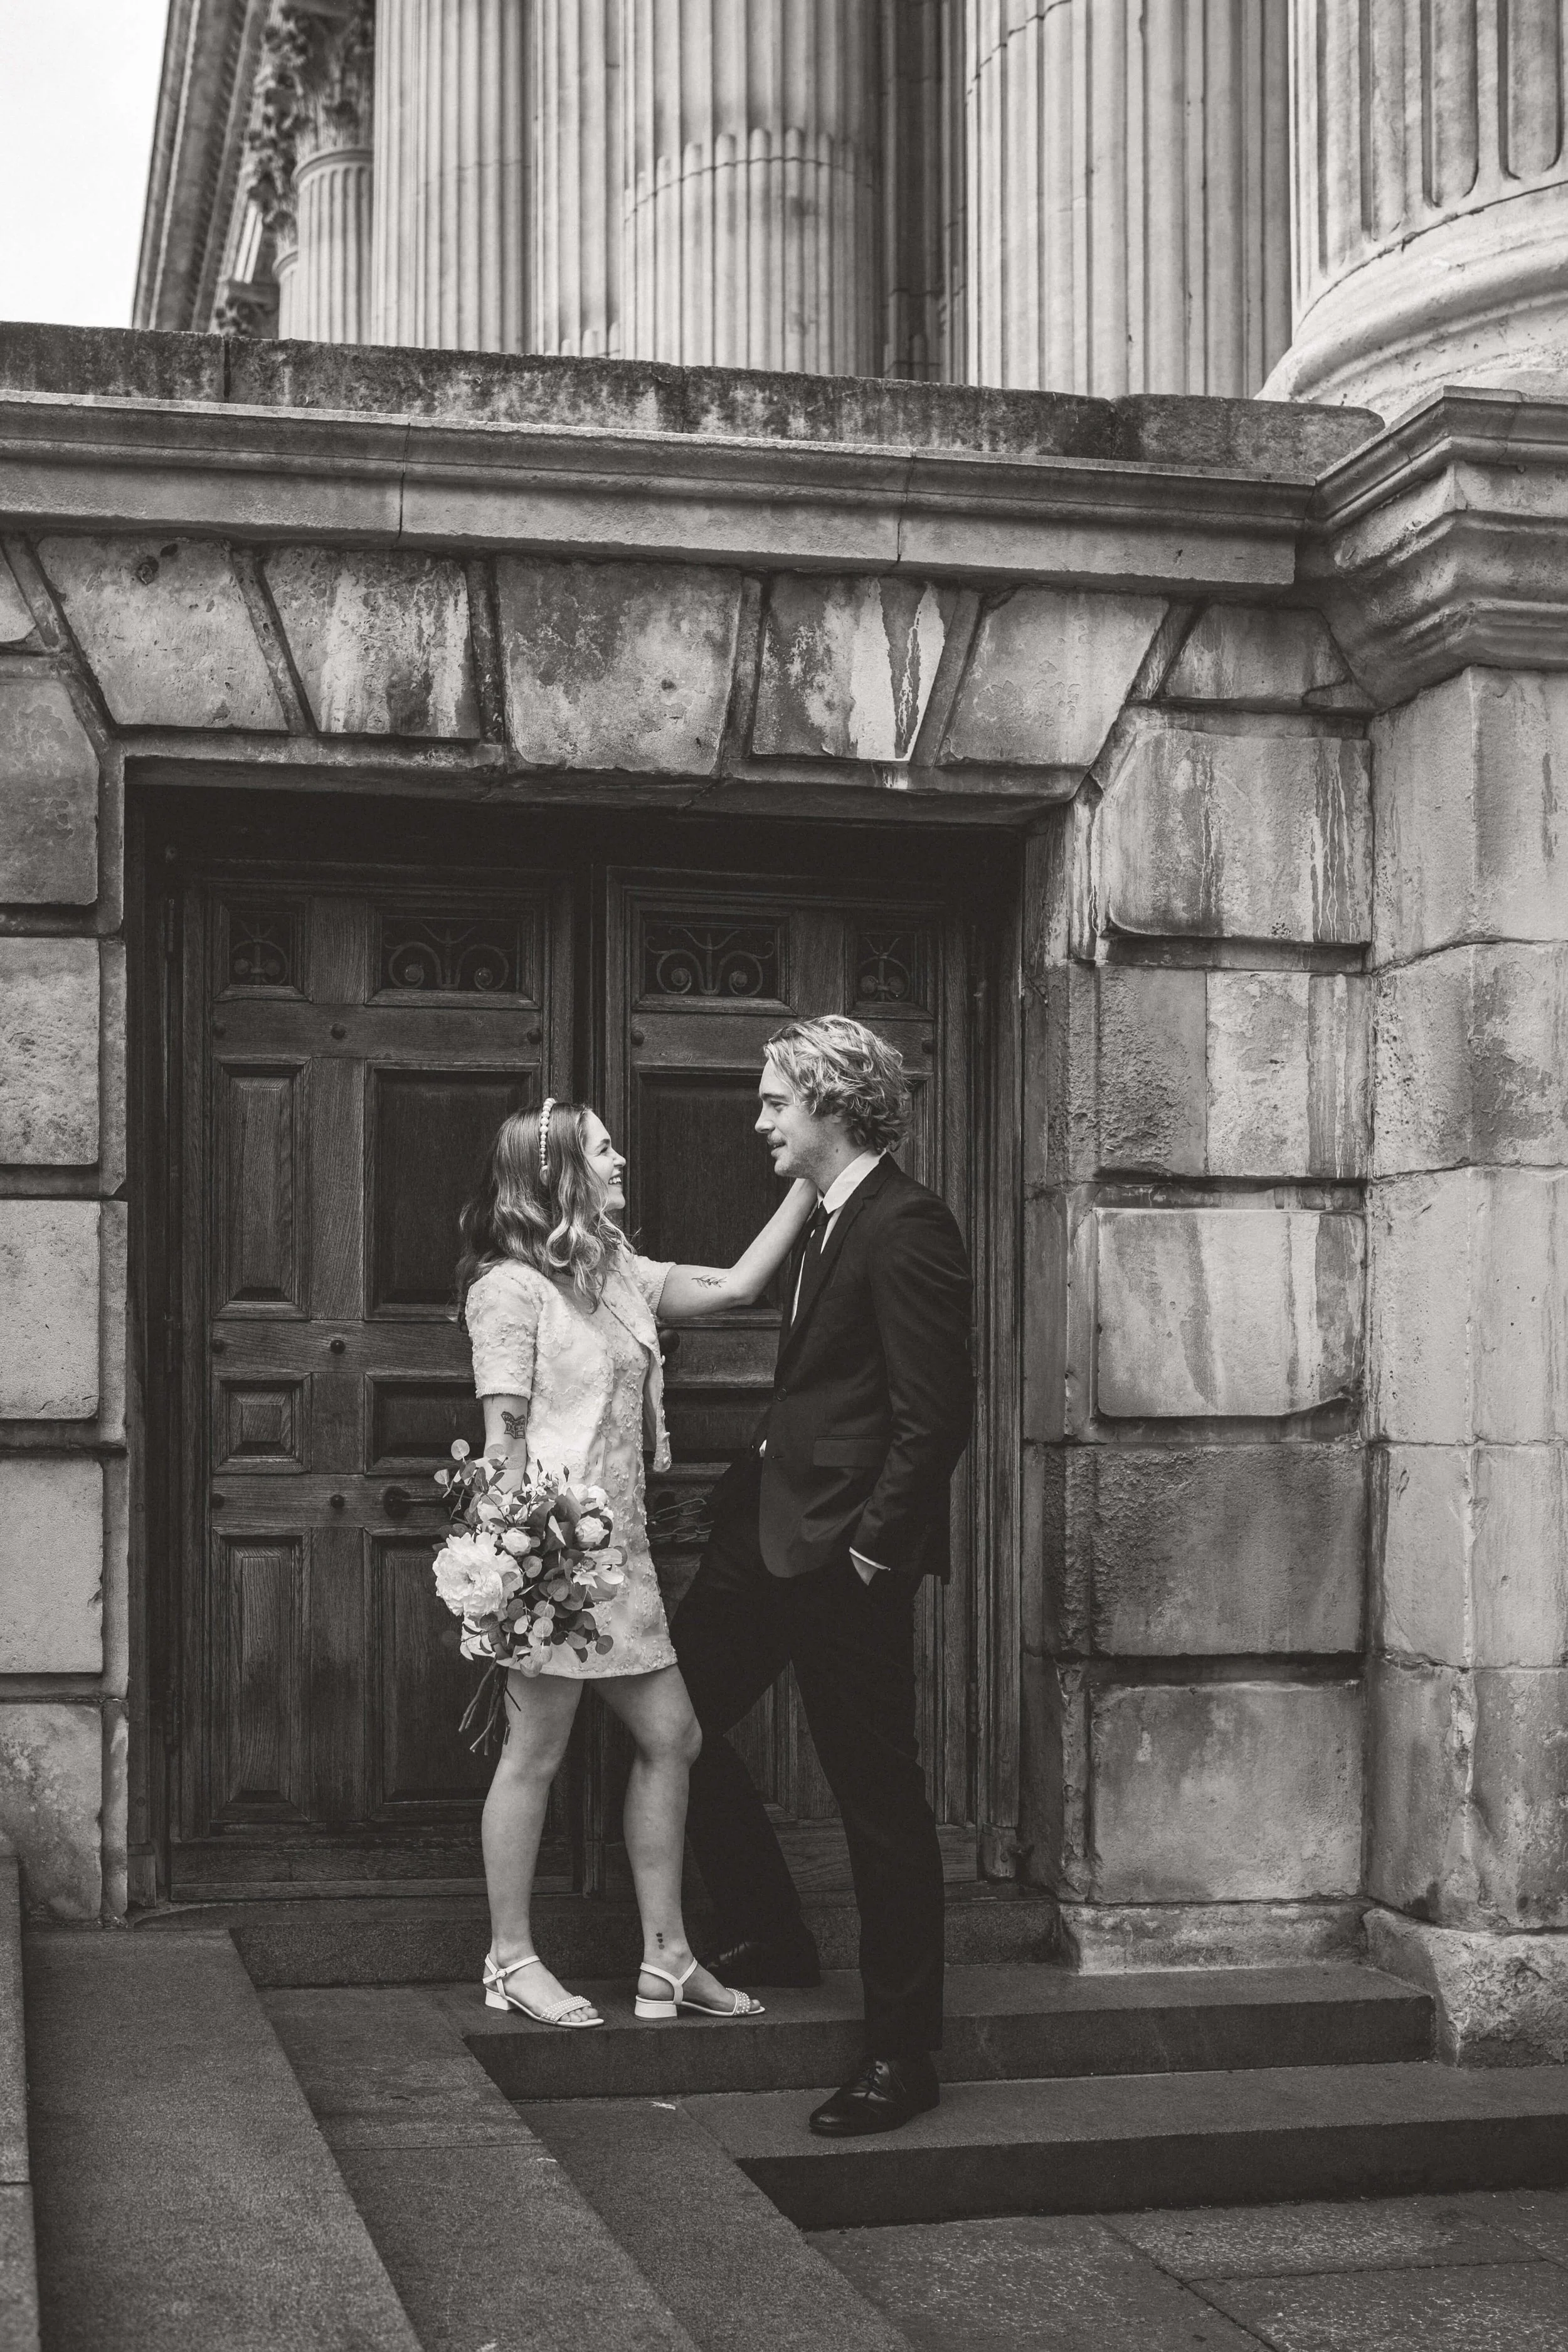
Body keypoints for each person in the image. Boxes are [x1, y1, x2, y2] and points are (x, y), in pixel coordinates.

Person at [673, 1015, 975, 2135]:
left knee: (879, 1804)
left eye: (772, 1102)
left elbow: (932, 1415)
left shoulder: (908, 1227)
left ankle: (903, 2055)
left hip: (840, 1561)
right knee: (670, 1718)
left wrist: (869, 1552)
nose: (758, 1119)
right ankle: (774, 1927)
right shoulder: (825, 1218)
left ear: (832, 1105)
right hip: (761, 1541)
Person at [457, 1096, 818, 2029]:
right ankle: (510, 1958)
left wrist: (810, 1183)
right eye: (606, 1150)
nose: (623, 1160)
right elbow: (502, 1444)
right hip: (551, 1567)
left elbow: (738, 1284)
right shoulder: (509, 1289)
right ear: (561, 1172)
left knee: (676, 1737)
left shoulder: (619, 1274)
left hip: (624, 1563)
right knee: (535, 1751)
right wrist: (515, 1568)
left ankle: (666, 1957)